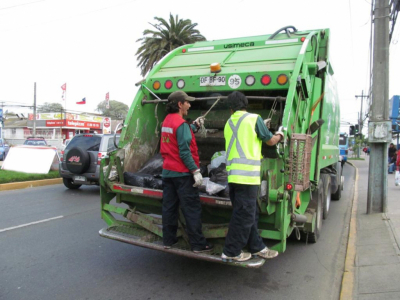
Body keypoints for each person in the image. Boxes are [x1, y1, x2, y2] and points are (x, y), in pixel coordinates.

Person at [221, 91, 283, 262]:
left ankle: (257, 247)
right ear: (245, 104)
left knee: (250, 213)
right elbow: (270, 141)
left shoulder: (228, 122)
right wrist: (280, 135)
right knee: (243, 216)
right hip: (247, 178)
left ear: (231, 108)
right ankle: (231, 251)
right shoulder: (254, 119)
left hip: (233, 177)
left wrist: (262, 125)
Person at [160, 90, 213, 253]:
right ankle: (197, 244)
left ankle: (168, 240)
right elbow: (184, 151)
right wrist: (195, 171)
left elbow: (177, 136)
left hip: (168, 172)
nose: (190, 105)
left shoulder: (167, 121)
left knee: (169, 207)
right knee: (191, 209)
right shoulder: (180, 124)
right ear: (180, 104)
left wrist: (194, 125)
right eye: (187, 102)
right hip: (182, 175)